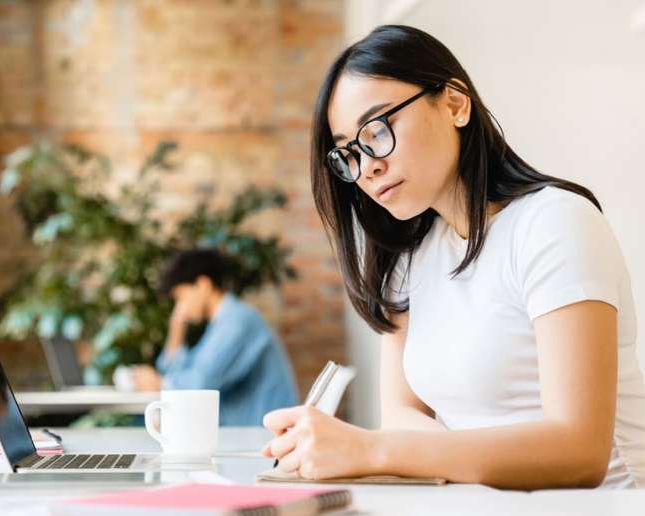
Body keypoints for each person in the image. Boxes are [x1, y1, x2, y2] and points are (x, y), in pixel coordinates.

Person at [261, 25, 645, 489]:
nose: (369, 167)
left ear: (456, 104)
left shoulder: (554, 222)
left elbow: (580, 452)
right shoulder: (409, 255)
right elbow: (400, 414)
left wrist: (371, 449)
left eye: (377, 130)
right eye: (349, 153)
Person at [132, 249, 298, 426]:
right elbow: (180, 373)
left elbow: (201, 384)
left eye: (181, 297)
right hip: (244, 430)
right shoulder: (220, 324)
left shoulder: (237, 320)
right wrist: (177, 325)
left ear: (203, 285)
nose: (180, 307)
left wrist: (160, 383)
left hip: (261, 431)